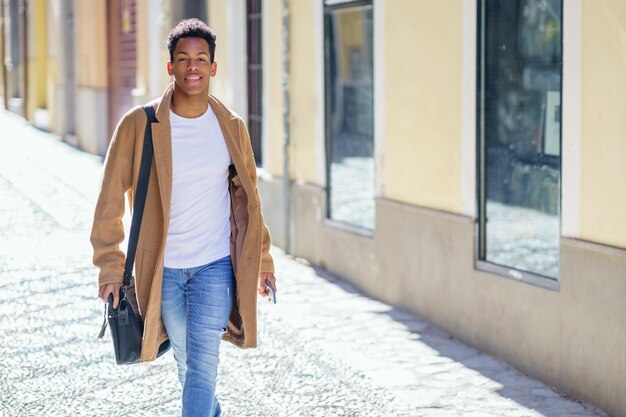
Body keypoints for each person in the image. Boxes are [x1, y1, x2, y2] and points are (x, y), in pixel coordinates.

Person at [90, 18, 276, 417]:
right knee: (189, 367)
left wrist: (261, 260)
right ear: (171, 66)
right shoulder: (141, 125)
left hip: (215, 267)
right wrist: (109, 265)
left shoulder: (230, 128)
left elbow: (249, 202)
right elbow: (109, 199)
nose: (193, 67)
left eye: (201, 59)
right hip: (163, 270)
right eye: (184, 59)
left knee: (202, 366)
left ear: (213, 67)